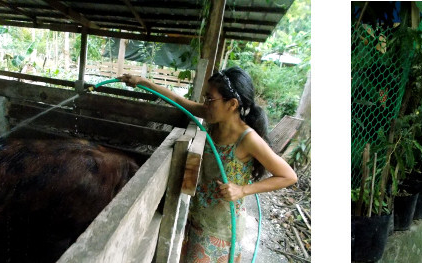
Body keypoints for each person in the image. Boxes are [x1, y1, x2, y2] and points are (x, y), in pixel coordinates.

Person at [119, 68, 297, 262]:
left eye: (209, 99)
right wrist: (143, 81)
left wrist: (243, 190)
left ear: (232, 104)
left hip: (220, 229)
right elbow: (179, 101)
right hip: (196, 217)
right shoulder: (214, 120)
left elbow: (288, 176)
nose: (205, 103)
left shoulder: (248, 139)